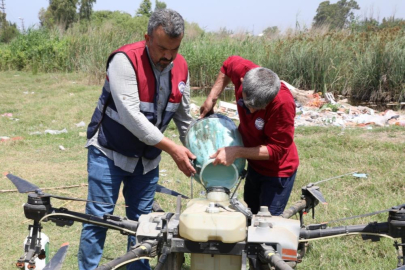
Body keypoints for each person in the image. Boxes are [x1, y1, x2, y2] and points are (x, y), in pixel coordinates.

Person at [78, 9, 196, 270]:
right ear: (147, 38)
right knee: (99, 219)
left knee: (143, 225)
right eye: (162, 48)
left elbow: (185, 119)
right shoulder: (124, 61)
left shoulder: (182, 68)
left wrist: (200, 153)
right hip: (109, 152)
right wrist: (172, 149)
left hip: (147, 162)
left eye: (174, 49)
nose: (168, 56)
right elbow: (132, 118)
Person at [199, 56, 299, 216]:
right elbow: (227, 65)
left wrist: (237, 152)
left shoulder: (283, 104)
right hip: (254, 165)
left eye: (258, 108)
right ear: (242, 80)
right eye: (248, 105)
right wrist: (212, 97)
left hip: (276, 173)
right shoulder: (244, 72)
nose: (251, 112)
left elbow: (278, 150)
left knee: (266, 224)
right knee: (249, 215)